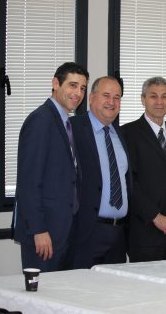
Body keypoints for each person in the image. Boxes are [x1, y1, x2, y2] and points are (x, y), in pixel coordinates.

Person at [12, 62, 88, 272]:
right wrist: (39, 230)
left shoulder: (66, 123)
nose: (78, 93)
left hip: (64, 231)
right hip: (44, 235)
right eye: (72, 85)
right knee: (39, 300)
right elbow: (28, 182)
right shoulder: (41, 120)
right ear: (55, 84)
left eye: (82, 88)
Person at [122, 77, 166, 262]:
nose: (160, 102)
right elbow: (129, 182)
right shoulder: (128, 133)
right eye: (153, 96)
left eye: (165, 96)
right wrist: (155, 216)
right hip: (145, 232)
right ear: (143, 99)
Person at [70, 76, 129, 268]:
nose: (112, 102)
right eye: (106, 95)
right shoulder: (73, 129)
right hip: (85, 232)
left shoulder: (120, 134)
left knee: (113, 295)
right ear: (91, 98)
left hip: (118, 234)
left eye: (117, 97)